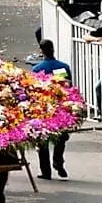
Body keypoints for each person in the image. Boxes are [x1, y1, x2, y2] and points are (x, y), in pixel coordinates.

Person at [33, 40, 72, 179]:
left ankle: (46, 171)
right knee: (61, 137)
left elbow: (35, 91)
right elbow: (67, 87)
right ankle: (58, 161)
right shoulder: (63, 67)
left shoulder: (38, 69)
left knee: (42, 139)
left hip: (44, 108)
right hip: (60, 106)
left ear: (41, 50)